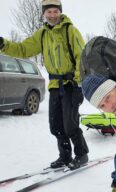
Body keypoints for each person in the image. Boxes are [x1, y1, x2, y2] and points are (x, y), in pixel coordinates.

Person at [0, 0, 89, 170]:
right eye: (49, 12)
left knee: (70, 124)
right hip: (55, 84)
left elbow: (81, 58)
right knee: (55, 125)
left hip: (71, 84)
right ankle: (64, 156)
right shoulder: (42, 34)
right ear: (44, 14)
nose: (52, 15)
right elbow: (23, 49)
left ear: (60, 12)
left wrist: (78, 84)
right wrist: (4, 45)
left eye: (55, 11)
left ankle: (81, 154)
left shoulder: (71, 31)